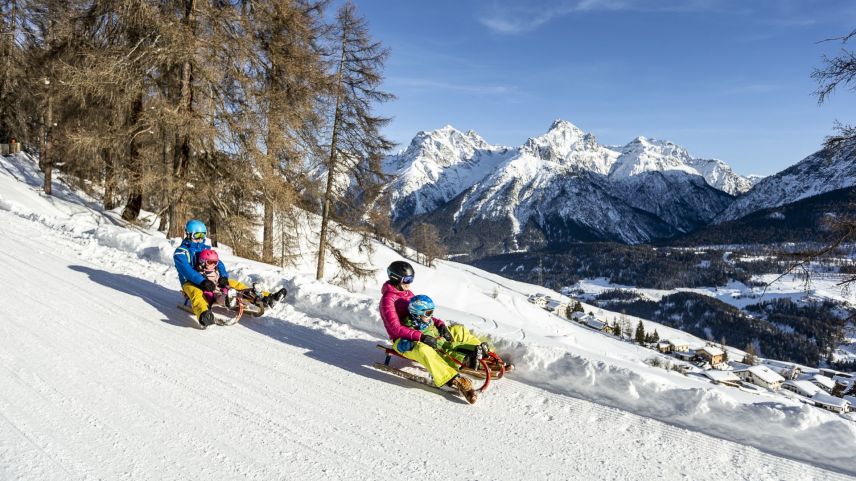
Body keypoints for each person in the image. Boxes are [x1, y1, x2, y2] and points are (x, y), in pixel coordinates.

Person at [379, 261, 485, 403]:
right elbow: (395, 329)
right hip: (404, 341)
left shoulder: (408, 293)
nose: (410, 283)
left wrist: (440, 324)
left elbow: (423, 312)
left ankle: (480, 355)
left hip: (422, 331)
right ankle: (454, 380)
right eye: (407, 280)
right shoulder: (387, 300)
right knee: (423, 349)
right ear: (395, 278)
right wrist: (421, 337)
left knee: (458, 330)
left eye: (412, 279)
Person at [174, 219, 286, 327]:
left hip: (211, 279)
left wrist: (223, 277)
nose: (200, 239)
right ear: (188, 235)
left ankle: (264, 298)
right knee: (197, 294)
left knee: (235, 285)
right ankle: (204, 315)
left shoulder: (205, 249)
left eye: (203, 235)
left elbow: (219, 264)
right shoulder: (181, 253)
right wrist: (202, 281)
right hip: (190, 283)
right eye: (197, 235)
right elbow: (187, 271)